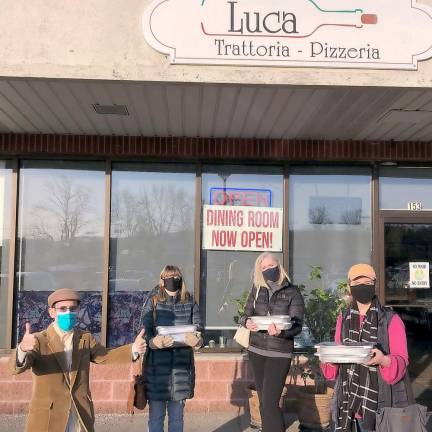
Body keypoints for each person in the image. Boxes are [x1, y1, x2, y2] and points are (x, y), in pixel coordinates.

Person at [9, 287, 147, 432]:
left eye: (72, 308)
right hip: (49, 417)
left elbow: (105, 356)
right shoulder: (38, 340)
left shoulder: (85, 338)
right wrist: (22, 350)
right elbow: (16, 367)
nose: (68, 313)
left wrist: (133, 349)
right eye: (63, 309)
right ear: (52, 312)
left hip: (78, 415)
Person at [320, 264, 410, 432]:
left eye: (367, 281)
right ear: (349, 286)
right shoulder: (343, 318)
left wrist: (383, 360)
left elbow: (402, 362)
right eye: (357, 281)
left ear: (374, 284)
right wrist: (328, 358)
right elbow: (333, 368)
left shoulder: (391, 319)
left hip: (379, 407)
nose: (362, 285)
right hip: (347, 405)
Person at [239, 252, 305, 432]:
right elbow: (244, 315)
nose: (268, 270)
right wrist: (247, 322)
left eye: (271, 266)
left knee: (269, 402)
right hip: (256, 350)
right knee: (263, 403)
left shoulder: (293, 292)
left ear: (279, 266)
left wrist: (281, 333)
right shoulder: (257, 288)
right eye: (264, 268)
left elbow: (297, 326)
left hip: (279, 353)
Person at [139, 265, 202, 432]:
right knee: (156, 418)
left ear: (180, 278)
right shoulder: (152, 300)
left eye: (175, 276)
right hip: (156, 370)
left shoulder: (189, 300)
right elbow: (143, 330)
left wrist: (197, 341)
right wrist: (154, 343)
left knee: (177, 419)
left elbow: (199, 327)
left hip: (182, 369)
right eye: (168, 276)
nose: (172, 280)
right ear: (161, 280)